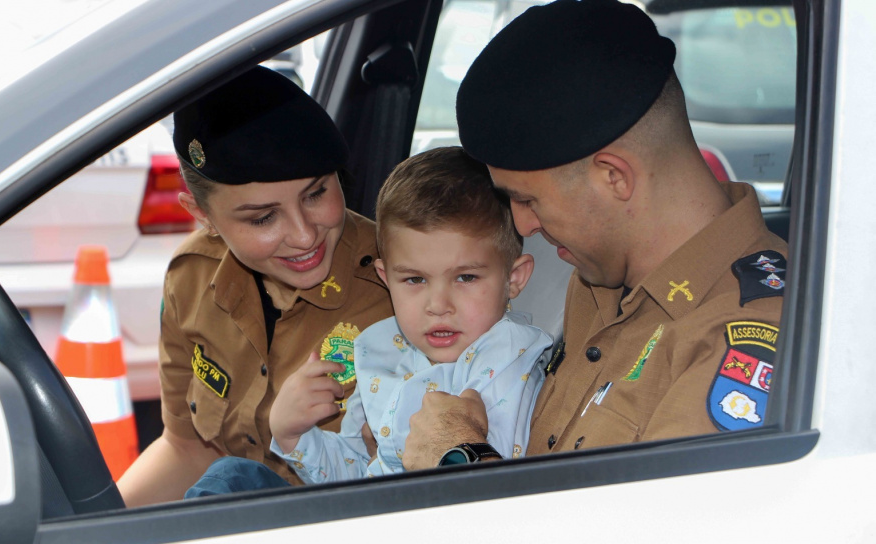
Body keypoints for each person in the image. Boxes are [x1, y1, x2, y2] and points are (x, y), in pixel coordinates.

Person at [402, 0, 788, 470]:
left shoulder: (749, 343)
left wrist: (459, 458)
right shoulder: (596, 281)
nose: (523, 225)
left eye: (528, 200)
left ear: (613, 177)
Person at [116, 66, 393, 506]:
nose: (304, 235)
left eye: (317, 193)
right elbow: (186, 449)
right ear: (201, 214)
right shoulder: (191, 277)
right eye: (263, 218)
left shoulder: (401, 282)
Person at [268, 146, 553, 482]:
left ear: (513, 279)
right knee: (232, 476)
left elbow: (492, 487)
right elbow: (356, 472)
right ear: (386, 278)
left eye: (466, 278)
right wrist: (293, 436)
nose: (437, 305)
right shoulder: (380, 349)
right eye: (415, 279)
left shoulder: (510, 359)